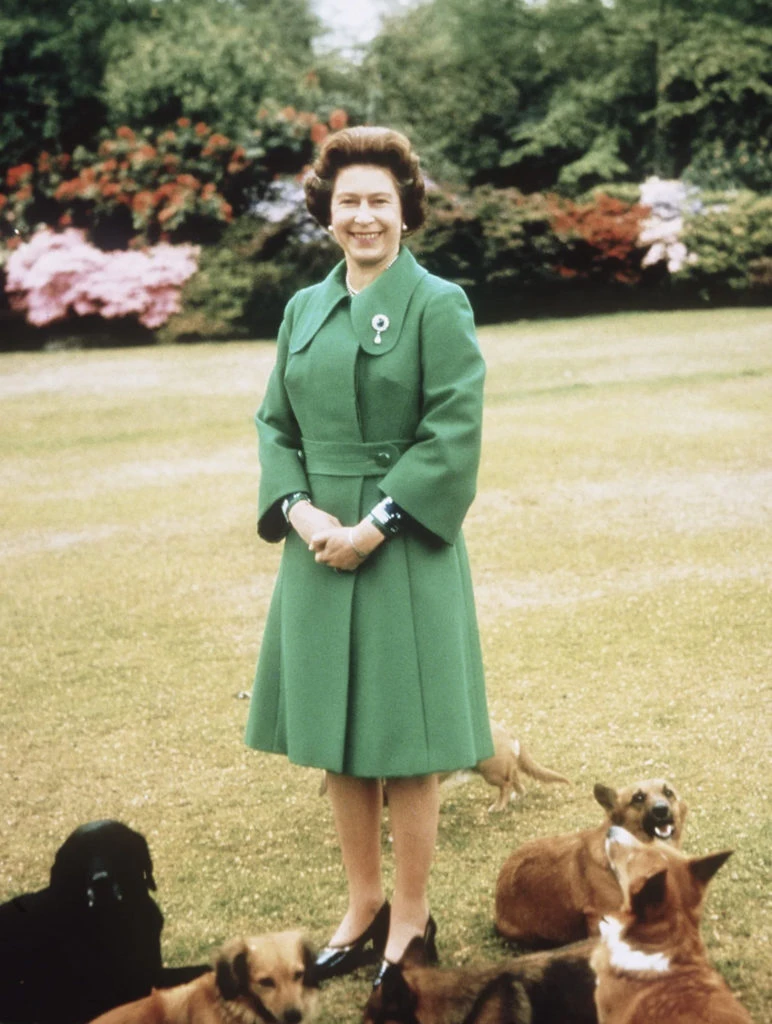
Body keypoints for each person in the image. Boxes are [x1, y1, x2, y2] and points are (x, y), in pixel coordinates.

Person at [245, 126, 493, 986]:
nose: (363, 217)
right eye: (348, 200)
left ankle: (412, 922)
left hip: (404, 549)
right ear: (326, 209)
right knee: (337, 739)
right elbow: (275, 425)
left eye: (379, 201)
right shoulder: (301, 310)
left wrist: (373, 525)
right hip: (317, 550)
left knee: (405, 744)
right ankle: (362, 906)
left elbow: (452, 433)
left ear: (406, 209)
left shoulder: (438, 303)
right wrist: (305, 513)